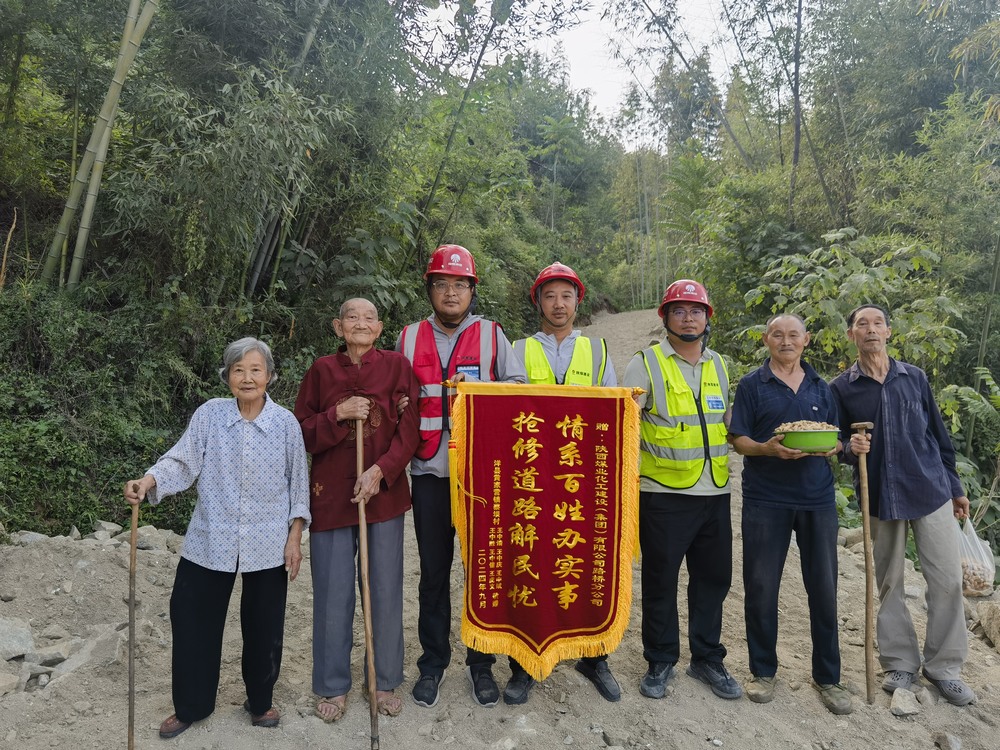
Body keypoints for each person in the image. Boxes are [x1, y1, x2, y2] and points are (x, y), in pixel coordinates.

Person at [123, 337, 310, 739]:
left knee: (264, 627)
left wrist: (294, 538)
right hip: (212, 537)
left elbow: (299, 486)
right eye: (238, 370)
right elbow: (182, 460)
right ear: (227, 377)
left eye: (255, 370)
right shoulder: (210, 416)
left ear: (270, 376)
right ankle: (191, 705)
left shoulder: (285, 424)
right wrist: (149, 479)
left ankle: (260, 702)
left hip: (267, 543)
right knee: (191, 619)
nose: (247, 377)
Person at [396, 244, 527, 708]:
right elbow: (395, 398)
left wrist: (486, 392)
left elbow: (518, 392)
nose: (450, 293)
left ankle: (480, 664)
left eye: (460, 284)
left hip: (482, 480)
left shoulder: (494, 335)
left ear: (472, 290)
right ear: (429, 290)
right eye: (441, 284)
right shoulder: (408, 338)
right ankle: (432, 665)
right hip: (429, 474)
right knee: (433, 574)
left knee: (483, 573)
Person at [830, 303, 975, 706]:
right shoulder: (841, 388)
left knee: (947, 579)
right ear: (851, 335)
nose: (871, 330)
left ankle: (944, 667)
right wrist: (848, 448)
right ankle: (900, 663)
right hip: (879, 493)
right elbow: (836, 440)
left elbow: (938, 435)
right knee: (889, 581)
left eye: (877, 323)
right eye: (862, 324)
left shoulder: (914, 378)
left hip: (930, 489)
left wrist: (955, 485)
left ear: (889, 332)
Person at [294, 298, 420, 723]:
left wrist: (381, 471)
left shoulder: (398, 367)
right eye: (351, 317)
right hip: (330, 496)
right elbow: (301, 433)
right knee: (332, 593)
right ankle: (333, 685)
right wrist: (338, 413)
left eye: (368, 318)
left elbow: (411, 428)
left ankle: (381, 681)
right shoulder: (321, 371)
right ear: (337, 326)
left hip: (382, 497)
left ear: (381, 327)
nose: (360, 324)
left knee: (383, 589)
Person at [504, 261, 621, 705]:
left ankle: (595, 655)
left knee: (590, 558)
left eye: (566, 296)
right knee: (530, 561)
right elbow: (508, 411)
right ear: (538, 302)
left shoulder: (598, 351)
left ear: (578, 302)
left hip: (584, 478)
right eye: (550, 296)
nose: (558, 304)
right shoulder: (517, 348)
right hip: (530, 479)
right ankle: (524, 663)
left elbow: (614, 413)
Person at [622, 279, 741, 701]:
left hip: (715, 493)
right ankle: (660, 660)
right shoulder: (646, 363)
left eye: (696, 310)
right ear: (665, 318)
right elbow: (624, 425)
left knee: (712, 580)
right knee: (661, 580)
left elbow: (726, 423)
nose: (688, 317)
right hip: (664, 494)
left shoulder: (720, 365)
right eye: (679, 310)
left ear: (707, 318)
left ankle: (707, 658)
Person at [728, 314, 852, 714]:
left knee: (824, 586)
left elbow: (835, 435)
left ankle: (828, 678)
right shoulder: (751, 384)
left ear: (806, 340)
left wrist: (835, 447)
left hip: (817, 498)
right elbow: (739, 440)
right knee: (761, 586)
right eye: (777, 335)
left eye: (793, 335)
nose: (786, 341)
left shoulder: (822, 386)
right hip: (766, 498)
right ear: (766, 340)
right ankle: (763, 671)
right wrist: (768, 448)